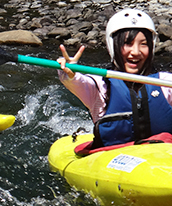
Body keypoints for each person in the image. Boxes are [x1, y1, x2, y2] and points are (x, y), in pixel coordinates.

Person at [58, 8, 172, 147]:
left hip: (161, 159)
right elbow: (76, 81)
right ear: (113, 46)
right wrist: (70, 71)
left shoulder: (165, 83)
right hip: (113, 160)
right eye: (127, 43)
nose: (135, 52)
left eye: (143, 44)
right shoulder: (100, 86)